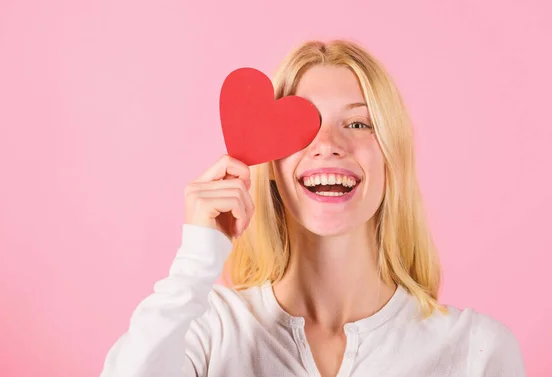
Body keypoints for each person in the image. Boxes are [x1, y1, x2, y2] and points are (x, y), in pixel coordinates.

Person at [99, 39, 526, 377]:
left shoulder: (476, 350)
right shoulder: (208, 331)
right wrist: (195, 261)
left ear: (392, 158)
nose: (328, 146)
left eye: (358, 123)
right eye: (299, 125)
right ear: (269, 167)